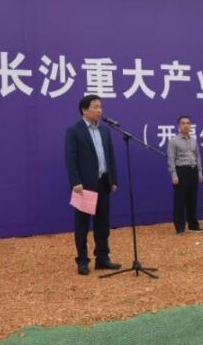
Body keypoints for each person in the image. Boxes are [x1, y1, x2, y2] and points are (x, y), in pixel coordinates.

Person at [64, 94, 121, 275]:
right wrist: (75, 181)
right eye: (95, 107)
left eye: (100, 107)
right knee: (82, 225)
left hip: (103, 182)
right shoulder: (74, 131)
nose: (99, 110)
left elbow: (110, 156)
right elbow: (70, 159)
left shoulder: (104, 130)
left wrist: (113, 179)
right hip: (84, 186)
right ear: (84, 110)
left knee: (103, 224)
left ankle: (102, 258)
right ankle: (82, 260)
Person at [167, 115, 203, 234]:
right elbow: (171, 159)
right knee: (180, 200)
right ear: (179, 126)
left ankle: (193, 225)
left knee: (192, 200)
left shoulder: (193, 140)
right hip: (181, 171)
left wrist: (199, 172)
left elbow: (197, 157)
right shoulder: (174, 141)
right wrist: (174, 175)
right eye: (183, 123)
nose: (186, 125)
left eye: (188, 123)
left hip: (193, 171)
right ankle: (179, 226)